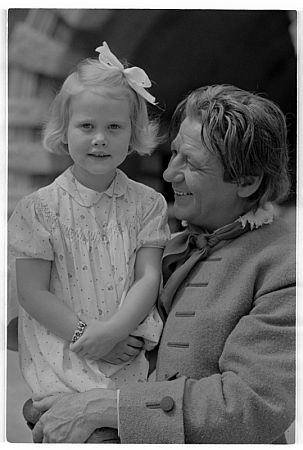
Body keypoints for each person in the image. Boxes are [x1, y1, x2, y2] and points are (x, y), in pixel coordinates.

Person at [22, 85, 296, 443]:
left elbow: (252, 405)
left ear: (247, 182)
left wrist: (104, 409)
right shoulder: (167, 244)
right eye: (175, 154)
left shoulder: (286, 267)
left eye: (192, 164)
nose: (169, 175)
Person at [7, 42, 170, 403]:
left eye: (114, 126)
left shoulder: (147, 204)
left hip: (127, 347)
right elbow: (32, 293)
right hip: (65, 351)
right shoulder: (39, 210)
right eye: (86, 126)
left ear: (132, 133)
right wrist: (88, 337)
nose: (100, 138)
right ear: (64, 132)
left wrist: (114, 331)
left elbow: (148, 276)